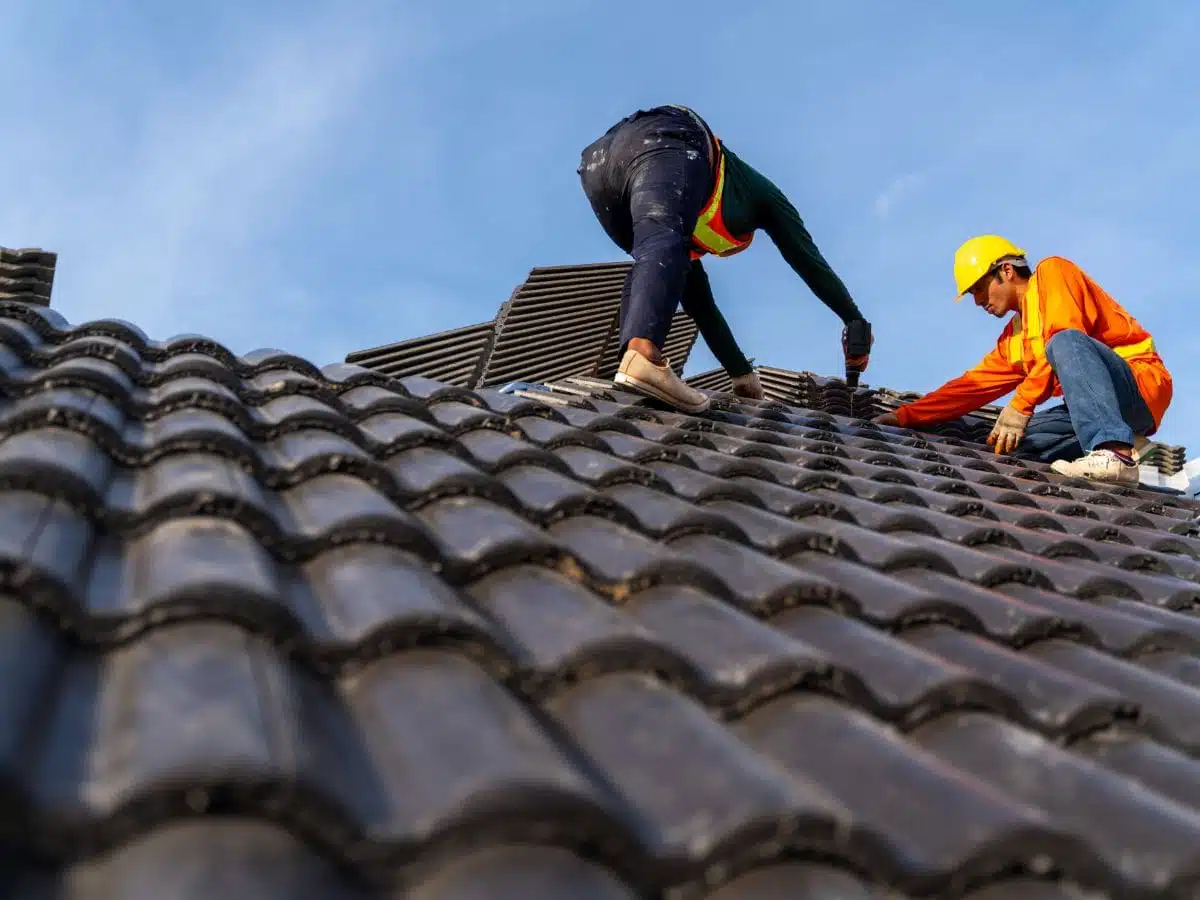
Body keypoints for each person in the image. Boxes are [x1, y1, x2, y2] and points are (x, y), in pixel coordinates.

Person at [578, 104, 874, 413]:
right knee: (663, 244)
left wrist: (741, 374)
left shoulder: (678, 236)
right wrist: (853, 319)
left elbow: (702, 306)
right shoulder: (762, 195)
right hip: (668, 136)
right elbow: (808, 260)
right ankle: (642, 355)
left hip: (599, 167)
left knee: (655, 263)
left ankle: (629, 369)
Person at [873, 235, 1172, 484]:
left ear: (1005, 270)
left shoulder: (1053, 273)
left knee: (1065, 341)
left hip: (1138, 385)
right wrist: (904, 416)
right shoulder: (1014, 339)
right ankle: (1128, 443)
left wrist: (1020, 404)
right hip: (1095, 407)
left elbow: (1066, 335)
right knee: (1013, 443)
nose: (977, 301)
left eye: (978, 288)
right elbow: (971, 386)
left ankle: (1115, 451)